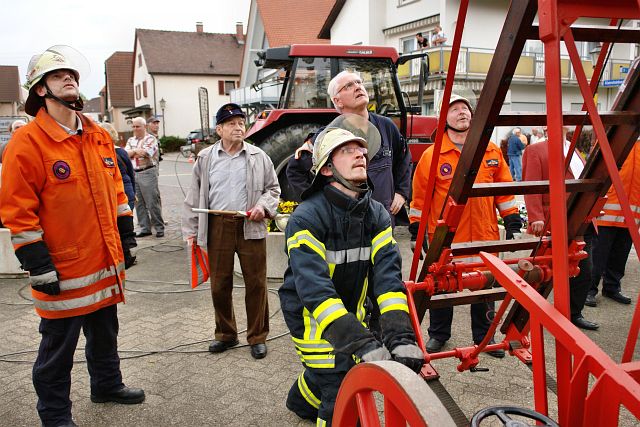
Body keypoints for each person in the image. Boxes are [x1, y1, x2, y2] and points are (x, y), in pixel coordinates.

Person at [0, 45, 144, 427]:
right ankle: (55, 415)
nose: (69, 78)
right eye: (58, 75)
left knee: (105, 332)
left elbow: (117, 193)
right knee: (57, 349)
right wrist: (38, 265)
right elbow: (18, 212)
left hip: (103, 263)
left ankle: (107, 385)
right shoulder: (27, 143)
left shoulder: (96, 135)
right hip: (63, 270)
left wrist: (126, 237)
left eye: (73, 75)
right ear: (41, 90)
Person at [279, 128, 424, 425]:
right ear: (327, 168)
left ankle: (301, 399)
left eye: (362, 150)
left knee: (328, 375)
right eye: (348, 150)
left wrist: (399, 336)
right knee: (343, 394)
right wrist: (361, 343)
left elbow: (388, 280)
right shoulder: (306, 218)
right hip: (313, 321)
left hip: (350, 318)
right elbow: (316, 293)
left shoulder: (377, 215)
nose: (360, 154)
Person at [409, 94, 522, 356]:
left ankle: (484, 337)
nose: (462, 112)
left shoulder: (490, 151)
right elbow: (420, 198)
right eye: (454, 109)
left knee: (486, 286)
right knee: (440, 287)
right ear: (443, 119)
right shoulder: (432, 155)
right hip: (447, 237)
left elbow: (504, 190)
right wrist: (417, 229)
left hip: (484, 234)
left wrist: (512, 219)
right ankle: (438, 334)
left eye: (465, 108)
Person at [182, 103, 280, 360]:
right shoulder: (205, 158)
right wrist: (191, 230)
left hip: (250, 224)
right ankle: (226, 334)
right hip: (218, 226)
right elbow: (193, 196)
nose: (238, 127)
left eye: (241, 123)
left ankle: (257, 337)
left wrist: (262, 207)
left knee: (256, 283)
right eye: (231, 123)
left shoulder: (259, 156)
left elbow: (273, 189)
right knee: (219, 284)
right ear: (219, 129)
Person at [287, 70, 412, 226]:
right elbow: (295, 170)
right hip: (347, 225)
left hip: (383, 221)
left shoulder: (386, 126)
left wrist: (401, 192)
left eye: (359, 82)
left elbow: (403, 159)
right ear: (338, 101)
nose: (358, 87)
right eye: (348, 86)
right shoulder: (327, 137)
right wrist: (318, 204)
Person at [522, 128, 599, 330]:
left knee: (584, 270)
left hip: (581, 220)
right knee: (544, 271)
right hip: (554, 220)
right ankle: (532, 312)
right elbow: (532, 185)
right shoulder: (536, 150)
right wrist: (536, 217)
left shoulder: (574, 150)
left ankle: (574, 313)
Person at [586, 141, 640, 307]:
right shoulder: (619, 135)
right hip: (608, 208)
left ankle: (612, 287)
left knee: (620, 254)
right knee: (598, 254)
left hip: (632, 211)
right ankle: (589, 290)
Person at [101, 122, 137, 269]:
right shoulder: (119, 152)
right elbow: (131, 174)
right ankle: (125, 254)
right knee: (124, 225)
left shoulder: (117, 152)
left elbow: (130, 173)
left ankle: (127, 254)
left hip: (123, 190)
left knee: (124, 225)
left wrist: (132, 192)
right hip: (122, 189)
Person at [126, 116, 165, 237]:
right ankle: (145, 228)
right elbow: (125, 154)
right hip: (134, 173)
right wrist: (136, 152)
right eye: (133, 126)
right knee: (139, 203)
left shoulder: (151, 139)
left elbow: (146, 153)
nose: (135, 128)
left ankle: (159, 228)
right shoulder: (130, 140)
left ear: (144, 127)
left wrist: (133, 152)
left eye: (137, 126)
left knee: (152, 202)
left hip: (147, 172)